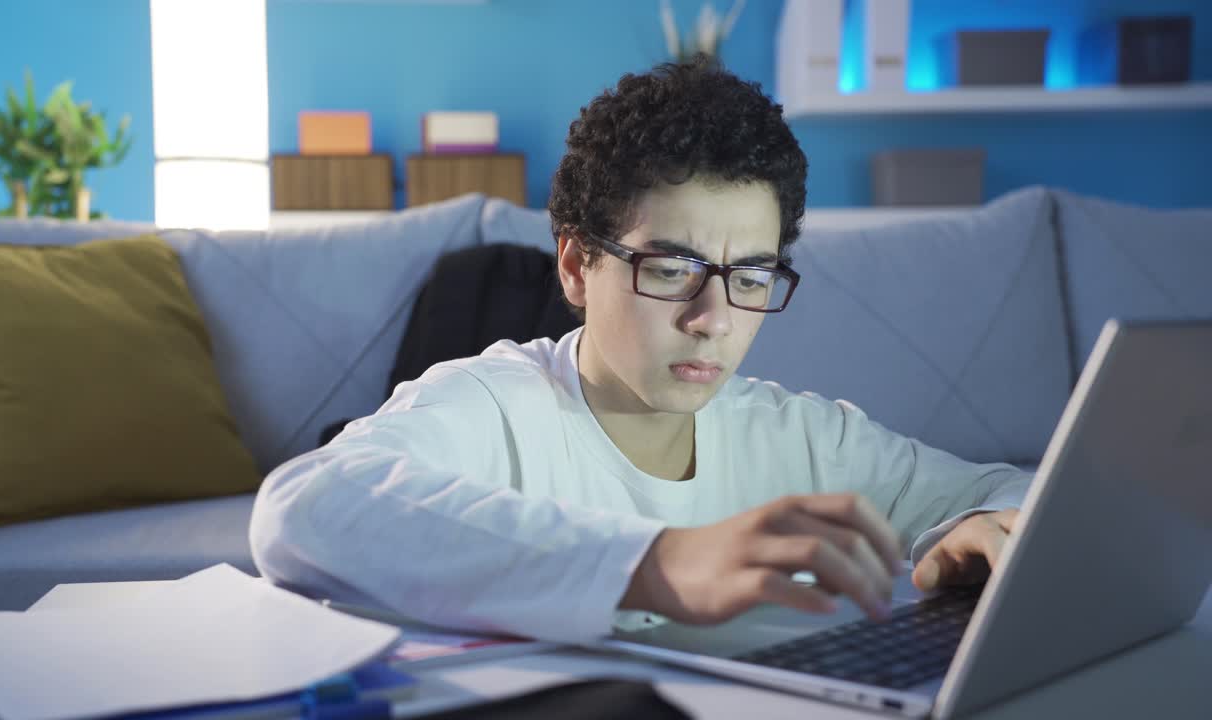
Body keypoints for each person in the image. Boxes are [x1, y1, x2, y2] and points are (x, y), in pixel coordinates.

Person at [248, 57, 1029, 643]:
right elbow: (306, 506)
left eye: (750, 276)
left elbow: (1017, 488)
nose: (712, 319)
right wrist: (656, 562)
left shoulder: (800, 437)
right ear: (577, 265)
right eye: (672, 268)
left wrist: (988, 524)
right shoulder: (494, 403)